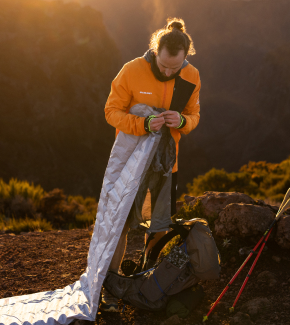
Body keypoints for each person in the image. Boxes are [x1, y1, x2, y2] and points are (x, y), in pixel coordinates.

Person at [102, 17, 201, 312]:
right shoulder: (132, 70)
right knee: (120, 224)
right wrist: (142, 123)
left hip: (166, 167)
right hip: (132, 165)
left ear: (185, 58)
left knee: (158, 226)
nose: (169, 72)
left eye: (175, 67)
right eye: (163, 66)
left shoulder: (191, 75)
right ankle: (108, 288)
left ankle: (147, 281)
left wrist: (182, 121)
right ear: (154, 51)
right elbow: (111, 112)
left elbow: (195, 115)